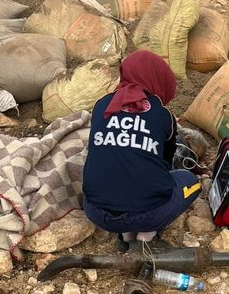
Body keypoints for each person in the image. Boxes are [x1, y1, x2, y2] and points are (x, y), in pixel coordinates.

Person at [82, 50, 201, 252]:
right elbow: (166, 162)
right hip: (148, 214)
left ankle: (126, 236)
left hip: (96, 211)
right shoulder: (164, 115)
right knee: (191, 182)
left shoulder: (102, 105)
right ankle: (147, 236)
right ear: (157, 78)